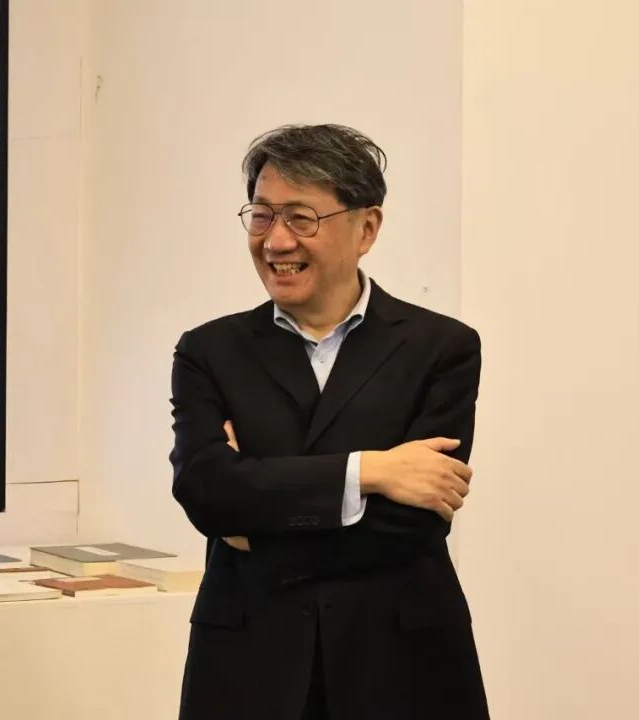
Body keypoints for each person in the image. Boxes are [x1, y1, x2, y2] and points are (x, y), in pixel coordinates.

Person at [169, 124, 489, 719]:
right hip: (250, 666)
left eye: (301, 218)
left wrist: (256, 531)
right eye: (261, 215)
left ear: (366, 229)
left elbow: (412, 525)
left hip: (401, 667)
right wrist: (368, 472)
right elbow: (207, 491)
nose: (276, 240)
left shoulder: (441, 347)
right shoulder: (209, 351)